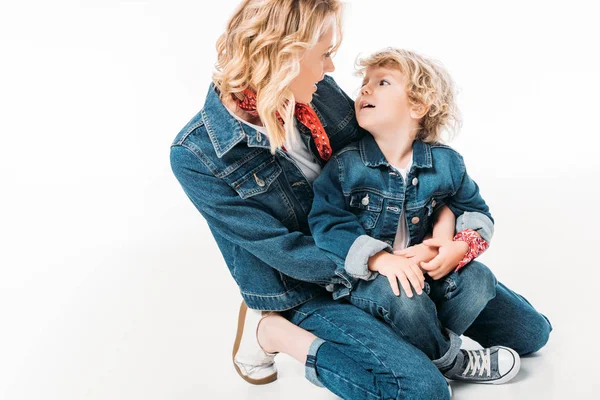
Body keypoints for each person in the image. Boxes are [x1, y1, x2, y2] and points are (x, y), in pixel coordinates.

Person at [170, 1, 551, 398]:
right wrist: (377, 260)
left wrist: (442, 230)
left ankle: (409, 330)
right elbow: (281, 249)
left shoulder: (312, 91)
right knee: (425, 391)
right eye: (324, 55)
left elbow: (396, 159)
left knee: (530, 333)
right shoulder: (196, 154)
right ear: (284, 56)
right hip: (310, 282)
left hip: (389, 252)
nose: (331, 69)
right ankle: (275, 332)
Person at [309, 48, 529, 384]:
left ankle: (411, 344)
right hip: (372, 282)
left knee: (480, 279)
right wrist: (379, 259)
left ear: (417, 106)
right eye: (364, 83)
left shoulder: (447, 164)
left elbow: (474, 211)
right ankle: (450, 361)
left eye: (382, 83)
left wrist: (455, 246)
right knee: (405, 300)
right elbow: (327, 223)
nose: (364, 89)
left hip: (426, 274)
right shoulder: (344, 165)